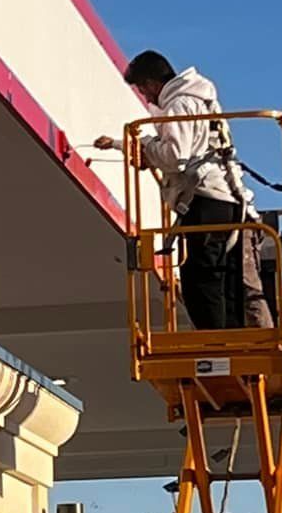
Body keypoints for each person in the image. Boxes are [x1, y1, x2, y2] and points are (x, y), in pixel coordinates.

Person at [96, 51, 271, 332]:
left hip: (205, 200)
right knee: (223, 278)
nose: (146, 98)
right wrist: (122, 145)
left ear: (152, 82)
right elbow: (186, 151)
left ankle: (215, 343)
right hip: (225, 199)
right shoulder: (198, 100)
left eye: (143, 90)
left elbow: (175, 155)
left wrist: (147, 148)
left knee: (200, 278)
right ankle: (231, 340)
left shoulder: (179, 104)